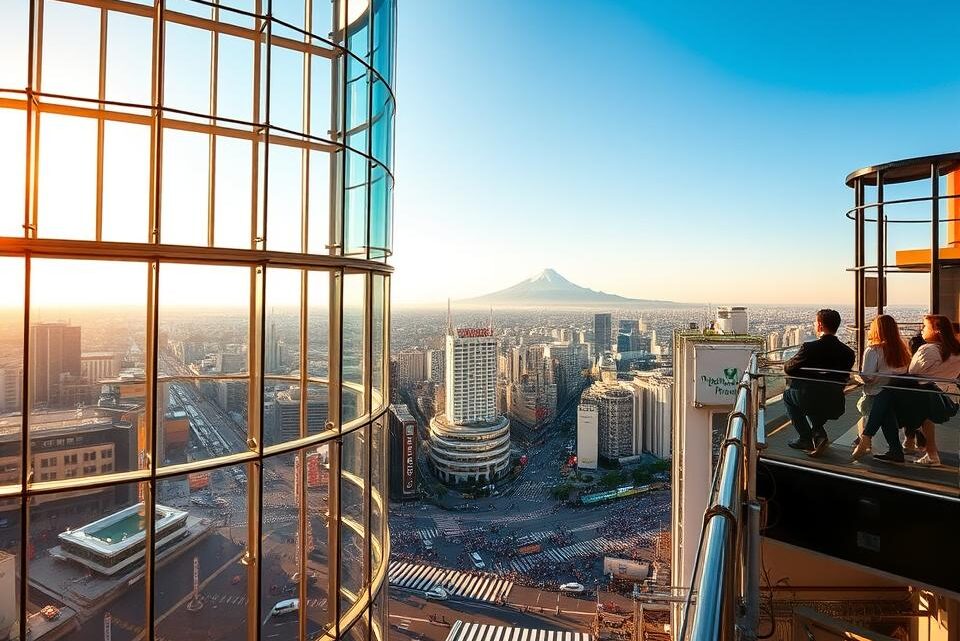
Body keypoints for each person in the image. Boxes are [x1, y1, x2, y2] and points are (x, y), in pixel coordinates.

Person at [783, 309, 856, 454]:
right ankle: (818, 433)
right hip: (835, 402)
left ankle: (805, 438)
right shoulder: (848, 352)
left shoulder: (809, 348)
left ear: (820, 325)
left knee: (788, 396)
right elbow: (843, 377)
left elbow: (788, 368)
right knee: (814, 395)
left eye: (815, 322)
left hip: (809, 399)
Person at [902, 315, 960, 466]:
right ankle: (912, 442)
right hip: (951, 399)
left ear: (937, 331)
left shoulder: (927, 350)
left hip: (930, 399)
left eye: (925, 326)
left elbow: (912, 372)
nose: (922, 330)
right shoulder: (956, 351)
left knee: (902, 396)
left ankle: (925, 449)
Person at [851, 316, 911, 462]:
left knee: (881, 403)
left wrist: (855, 377)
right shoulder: (902, 349)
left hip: (876, 393)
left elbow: (869, 377)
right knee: (886, 412)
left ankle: (866, 438)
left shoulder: (873, 350)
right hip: (896, 394)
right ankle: (895, 450)